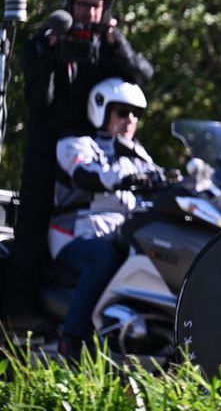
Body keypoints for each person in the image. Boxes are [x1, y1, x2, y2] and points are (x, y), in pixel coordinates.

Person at [3, 0, 154, 335]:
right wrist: (48, 55)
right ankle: (17, 311)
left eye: (98, 6)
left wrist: (116, 43)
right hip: (48, 143)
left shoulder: (110, 45)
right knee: (35, 220)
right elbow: (40, 100)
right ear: (69, 4)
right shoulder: (44, 43)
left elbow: (144, 76)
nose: (91, 13)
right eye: (84, 5)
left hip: (91, 145)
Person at [49, 78, 162, 359]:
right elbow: (85, 174)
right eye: (122, 111)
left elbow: (158, 177)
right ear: (102, 109)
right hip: (74, 235)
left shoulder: (137, 153)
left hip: (119, 234)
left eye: (135, 114)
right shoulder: (76, 143)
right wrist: (127, 177)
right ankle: (71, 340)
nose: (130, 119)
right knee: (104, 257)